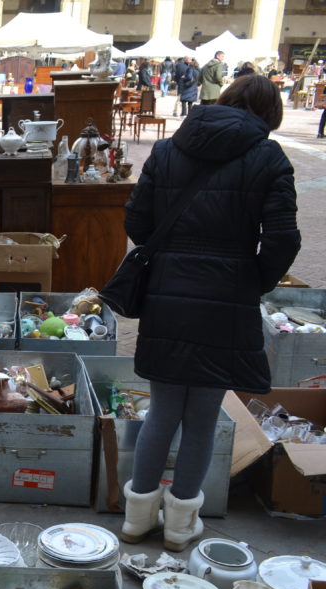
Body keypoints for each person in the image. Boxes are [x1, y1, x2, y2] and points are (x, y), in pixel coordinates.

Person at [117, 75, 300, 552]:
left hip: (168, 291)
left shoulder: (169, 147)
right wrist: (252, 279)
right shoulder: (268, 156)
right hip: (228, 295)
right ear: (269, 113)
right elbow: (283, 238)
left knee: (163, 408)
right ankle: (179, 525)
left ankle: (137, 518)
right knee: (202, 415)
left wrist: (169, 256)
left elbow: (136, 218)